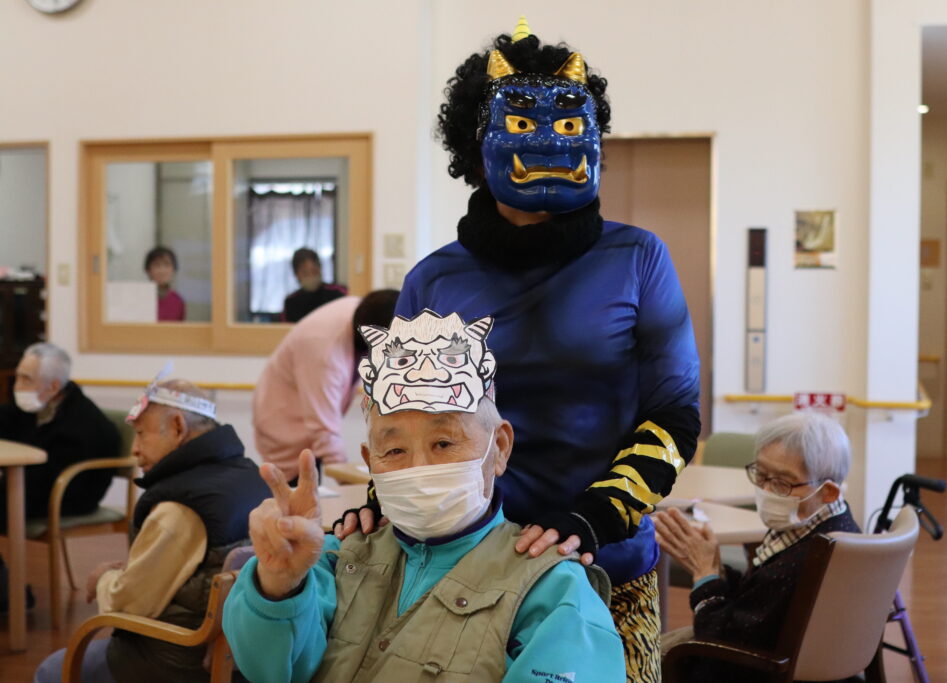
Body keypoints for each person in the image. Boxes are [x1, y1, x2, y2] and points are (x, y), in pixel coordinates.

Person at [344, 18, 701, 681]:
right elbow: (400, 419)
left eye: (566, 124)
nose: (546, 141)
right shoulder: (434, 279)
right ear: (476, 142)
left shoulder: (638, 257)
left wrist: (595, 517)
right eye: (521, 122)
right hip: (466, 572)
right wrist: (379, 501)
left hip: (607, 560)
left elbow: (675, 414)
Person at [223, 310, 626, 682]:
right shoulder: (334, 558)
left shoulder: (554, 592)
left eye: (444, 443)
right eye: (394, 450)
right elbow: (269, 671)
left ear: (500, 447)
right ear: (369, 460)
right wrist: (278, 586)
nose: (419, 468)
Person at [33, 377, 268, 683]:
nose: (134, 449)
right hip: (240, 656)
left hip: (176, 659)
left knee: (50, 671)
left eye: (142, 434)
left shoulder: (180, 508)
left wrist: (102, 578)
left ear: (178, 427)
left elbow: (129, 604)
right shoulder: (250, 476)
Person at [654, 412, 861, 683]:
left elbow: (720, 639)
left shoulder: (807, 557)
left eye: (782, 483)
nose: (766, 490)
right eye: (761, 475)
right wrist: (716, 569)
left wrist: (705, 575)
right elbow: (759, 601)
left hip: (757, 668)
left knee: (640, 660)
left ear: (827, 492)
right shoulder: (839, 526)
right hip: (796, 659)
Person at [0, 342, 120, 611]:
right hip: (31, 486)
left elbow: (53, 482)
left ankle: (8, 593)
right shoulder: (32, 406)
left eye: (25, 379)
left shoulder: (83, 424)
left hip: (68, 495)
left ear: (53, 387)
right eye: (18, 376)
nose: (17, 385)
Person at [253, 289, 399, 484]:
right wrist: (350, 482)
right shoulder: (324, 352)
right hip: (285, 427)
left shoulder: (365, 311)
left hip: (306, 423)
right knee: (297, 493)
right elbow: (324, 430)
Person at [282, 247, 348, 322]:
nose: (311, 276)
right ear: (296, 274)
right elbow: (284, 327)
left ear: (320, 269)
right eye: (305, 273)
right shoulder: (291, 302)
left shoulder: (338, 293)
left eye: (314, 271)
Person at [145, 246, 186, 322]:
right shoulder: (141, 298)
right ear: (148, 271)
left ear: (173, 270)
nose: (162, 271)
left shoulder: (178, 301)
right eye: (157, 265)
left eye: (167, 265)